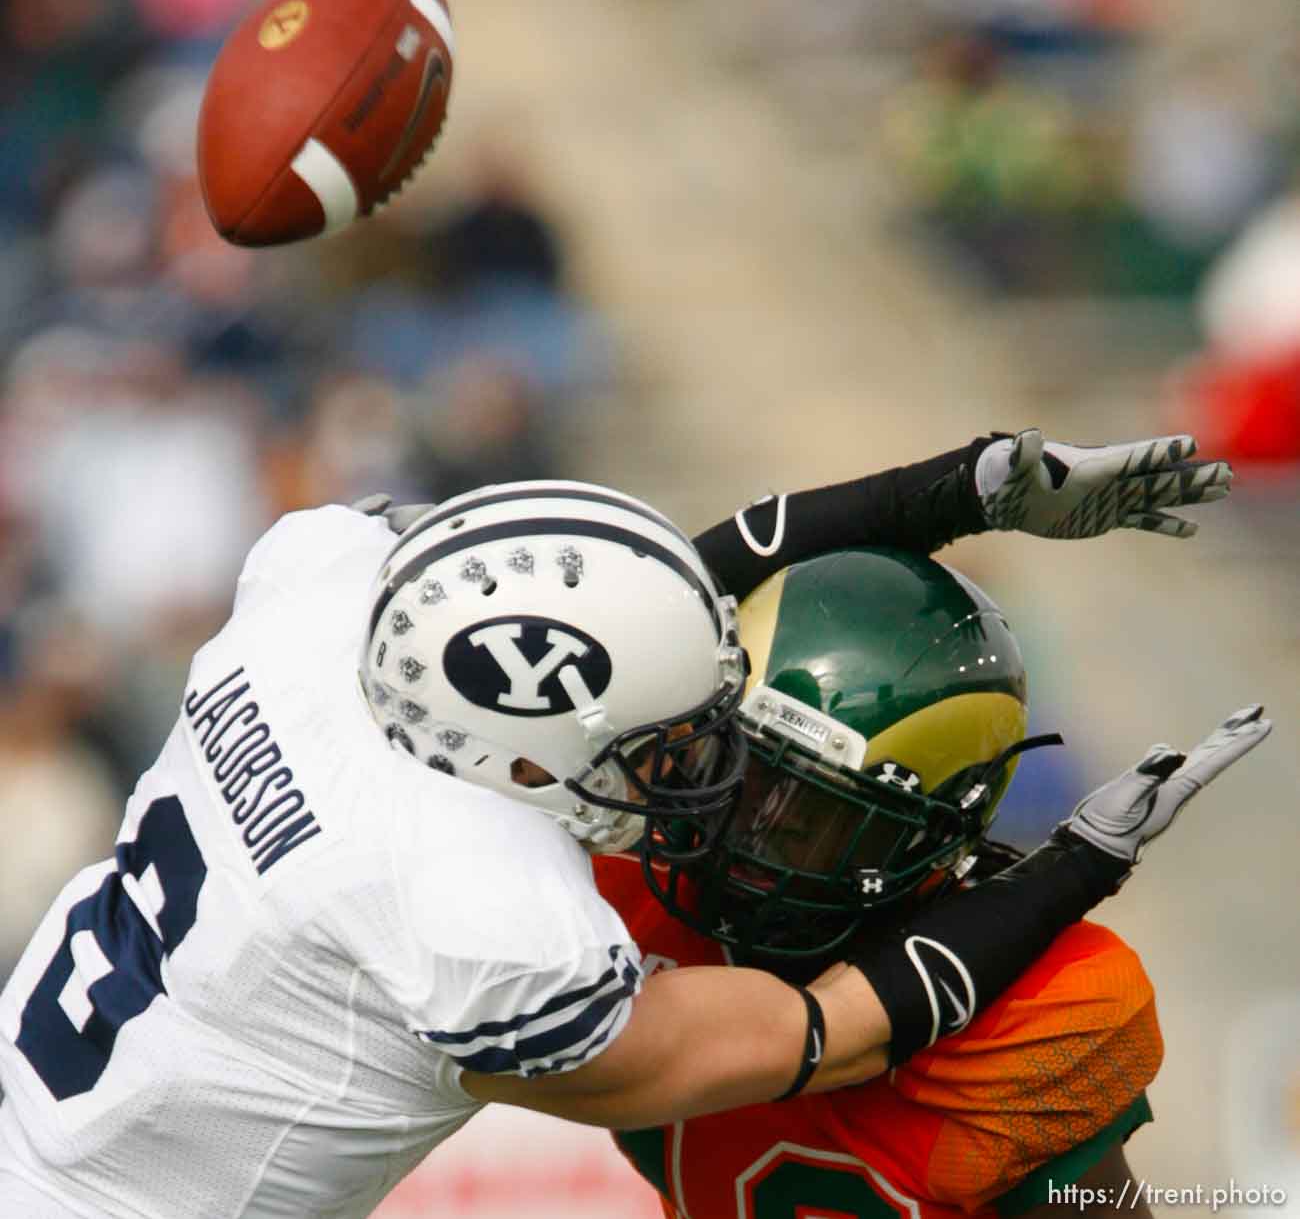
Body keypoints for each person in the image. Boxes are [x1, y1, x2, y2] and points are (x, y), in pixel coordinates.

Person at [0, 431, 1257, 1219]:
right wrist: (1074, 867)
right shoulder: (494, 916)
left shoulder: (316, 604)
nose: (684, 777)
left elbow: (595, 595)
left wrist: (948, 490)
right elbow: (815, 1030)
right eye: (661, 744)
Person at [592, 463, 1247, 1217]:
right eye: (740, 780)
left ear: (928, 843)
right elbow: (602, 632)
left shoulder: (1037, 1013)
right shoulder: (604, 885)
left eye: (815, 820)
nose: (756, 838)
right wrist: (949, 490)